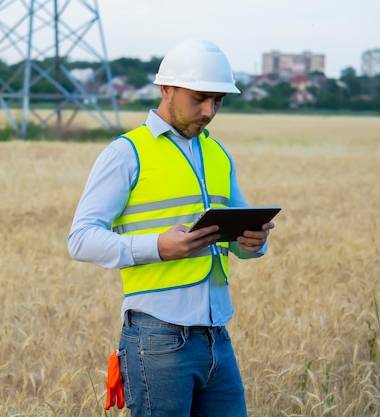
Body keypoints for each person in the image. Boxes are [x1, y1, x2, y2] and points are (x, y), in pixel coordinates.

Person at [66, 37, 275, 417]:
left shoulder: (217, 153)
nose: (210, 111)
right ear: (166, 89)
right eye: (200, 98)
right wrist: (159, 247)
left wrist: (253, 242)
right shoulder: (126, 153)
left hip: (217, 339)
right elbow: (79, 239)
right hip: (156, 339)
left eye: (218, 101)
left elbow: (239, 243)